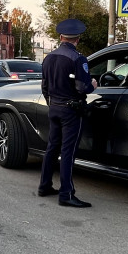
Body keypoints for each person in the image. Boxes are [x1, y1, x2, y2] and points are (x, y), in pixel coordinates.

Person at [38, 19, 98, 208]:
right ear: (77, 39)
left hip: (54, 108)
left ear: (61, 37)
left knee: (52, 148)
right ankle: (66, 194)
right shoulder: (78, 59)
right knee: (68, 152)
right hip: (71, 111)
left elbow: (45, 86)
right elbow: (83, 88)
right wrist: (93, 85)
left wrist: (53, 104)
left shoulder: (48, 58)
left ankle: (44, 186)